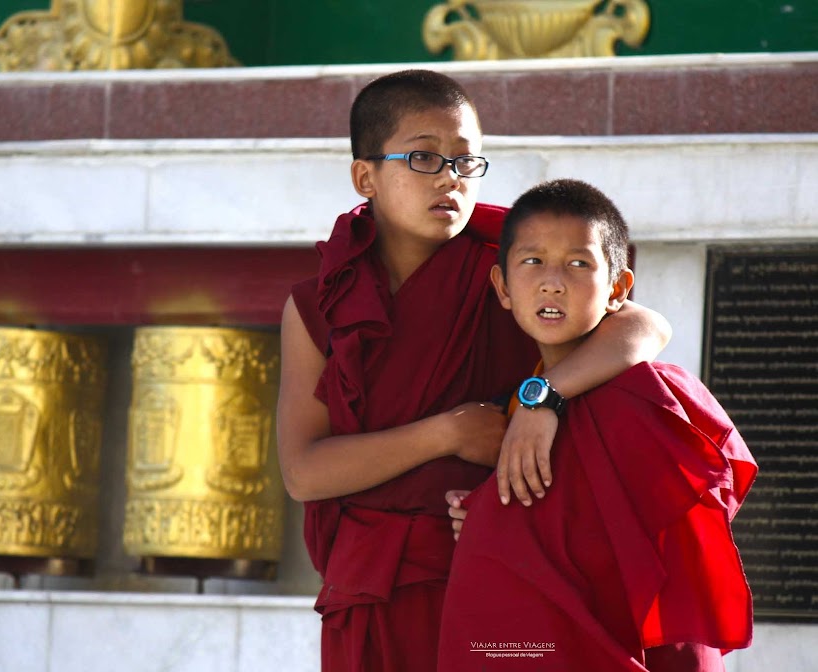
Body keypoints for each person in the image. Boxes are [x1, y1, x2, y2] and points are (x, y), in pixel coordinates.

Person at [276, 70, 671, 672]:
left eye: (465, 161)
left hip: (497, 569)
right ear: (366, 176)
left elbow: (643, 327)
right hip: (373, 584)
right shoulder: (320, 305)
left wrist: (543, 401)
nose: (450, 180)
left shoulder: (509, 265)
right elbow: (304, 471)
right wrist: (451, 432)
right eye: (424, 158)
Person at [437, 179, 757, 671]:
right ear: (501, 287)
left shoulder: (644, 398)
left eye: (579, 263)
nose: (553, 282)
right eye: (532, 261)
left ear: (618, 289)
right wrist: (487, 513)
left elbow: (655, 550)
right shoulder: (521, 401)